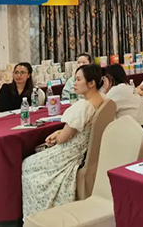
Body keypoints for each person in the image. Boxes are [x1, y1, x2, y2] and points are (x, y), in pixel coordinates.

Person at [22, 64, 106, 218]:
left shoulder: (82, 106)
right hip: (84, 151)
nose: (74, 83)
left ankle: (37, 216)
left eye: (78, 79)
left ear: (91, 83)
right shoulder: (103, 101)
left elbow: (62, 139)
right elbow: (77, 129)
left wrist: (58, 136)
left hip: (69, 154)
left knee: (27, 165)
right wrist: (60, 132)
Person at [102, 64, 143, 138]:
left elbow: (103, 110)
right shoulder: (125, 87)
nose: (103, 83)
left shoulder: (116, 90)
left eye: (104, 79)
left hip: (138, 131)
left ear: (111, 78)